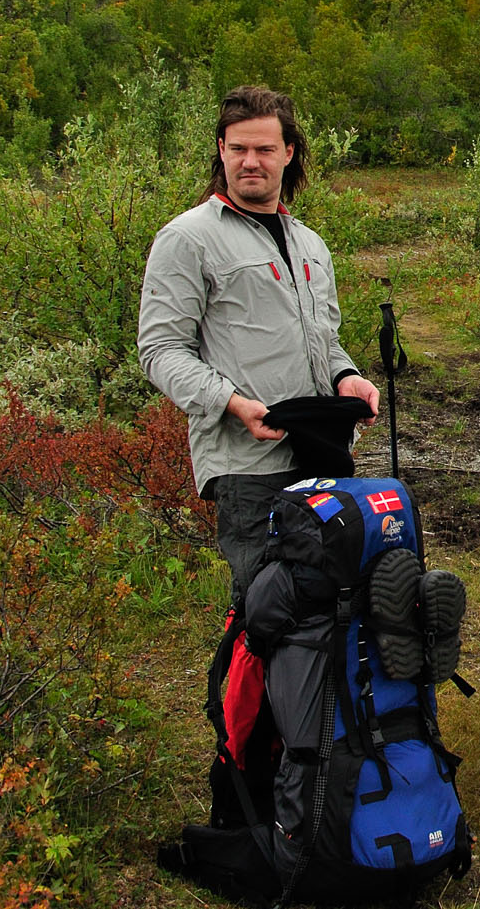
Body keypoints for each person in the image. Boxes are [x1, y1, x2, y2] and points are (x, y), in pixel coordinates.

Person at [137, 85, 381, 597]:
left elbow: (323, 339)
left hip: (323, 456)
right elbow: (160, 351)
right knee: (270, 618)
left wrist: (346, 376)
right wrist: (232, 403)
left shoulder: (309, 243)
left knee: (333, 611)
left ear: (287, 153)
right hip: (249, 467)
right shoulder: (187, 238)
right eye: (239, 148)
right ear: (221, 150)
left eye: (265, 149)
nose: (252, 161)